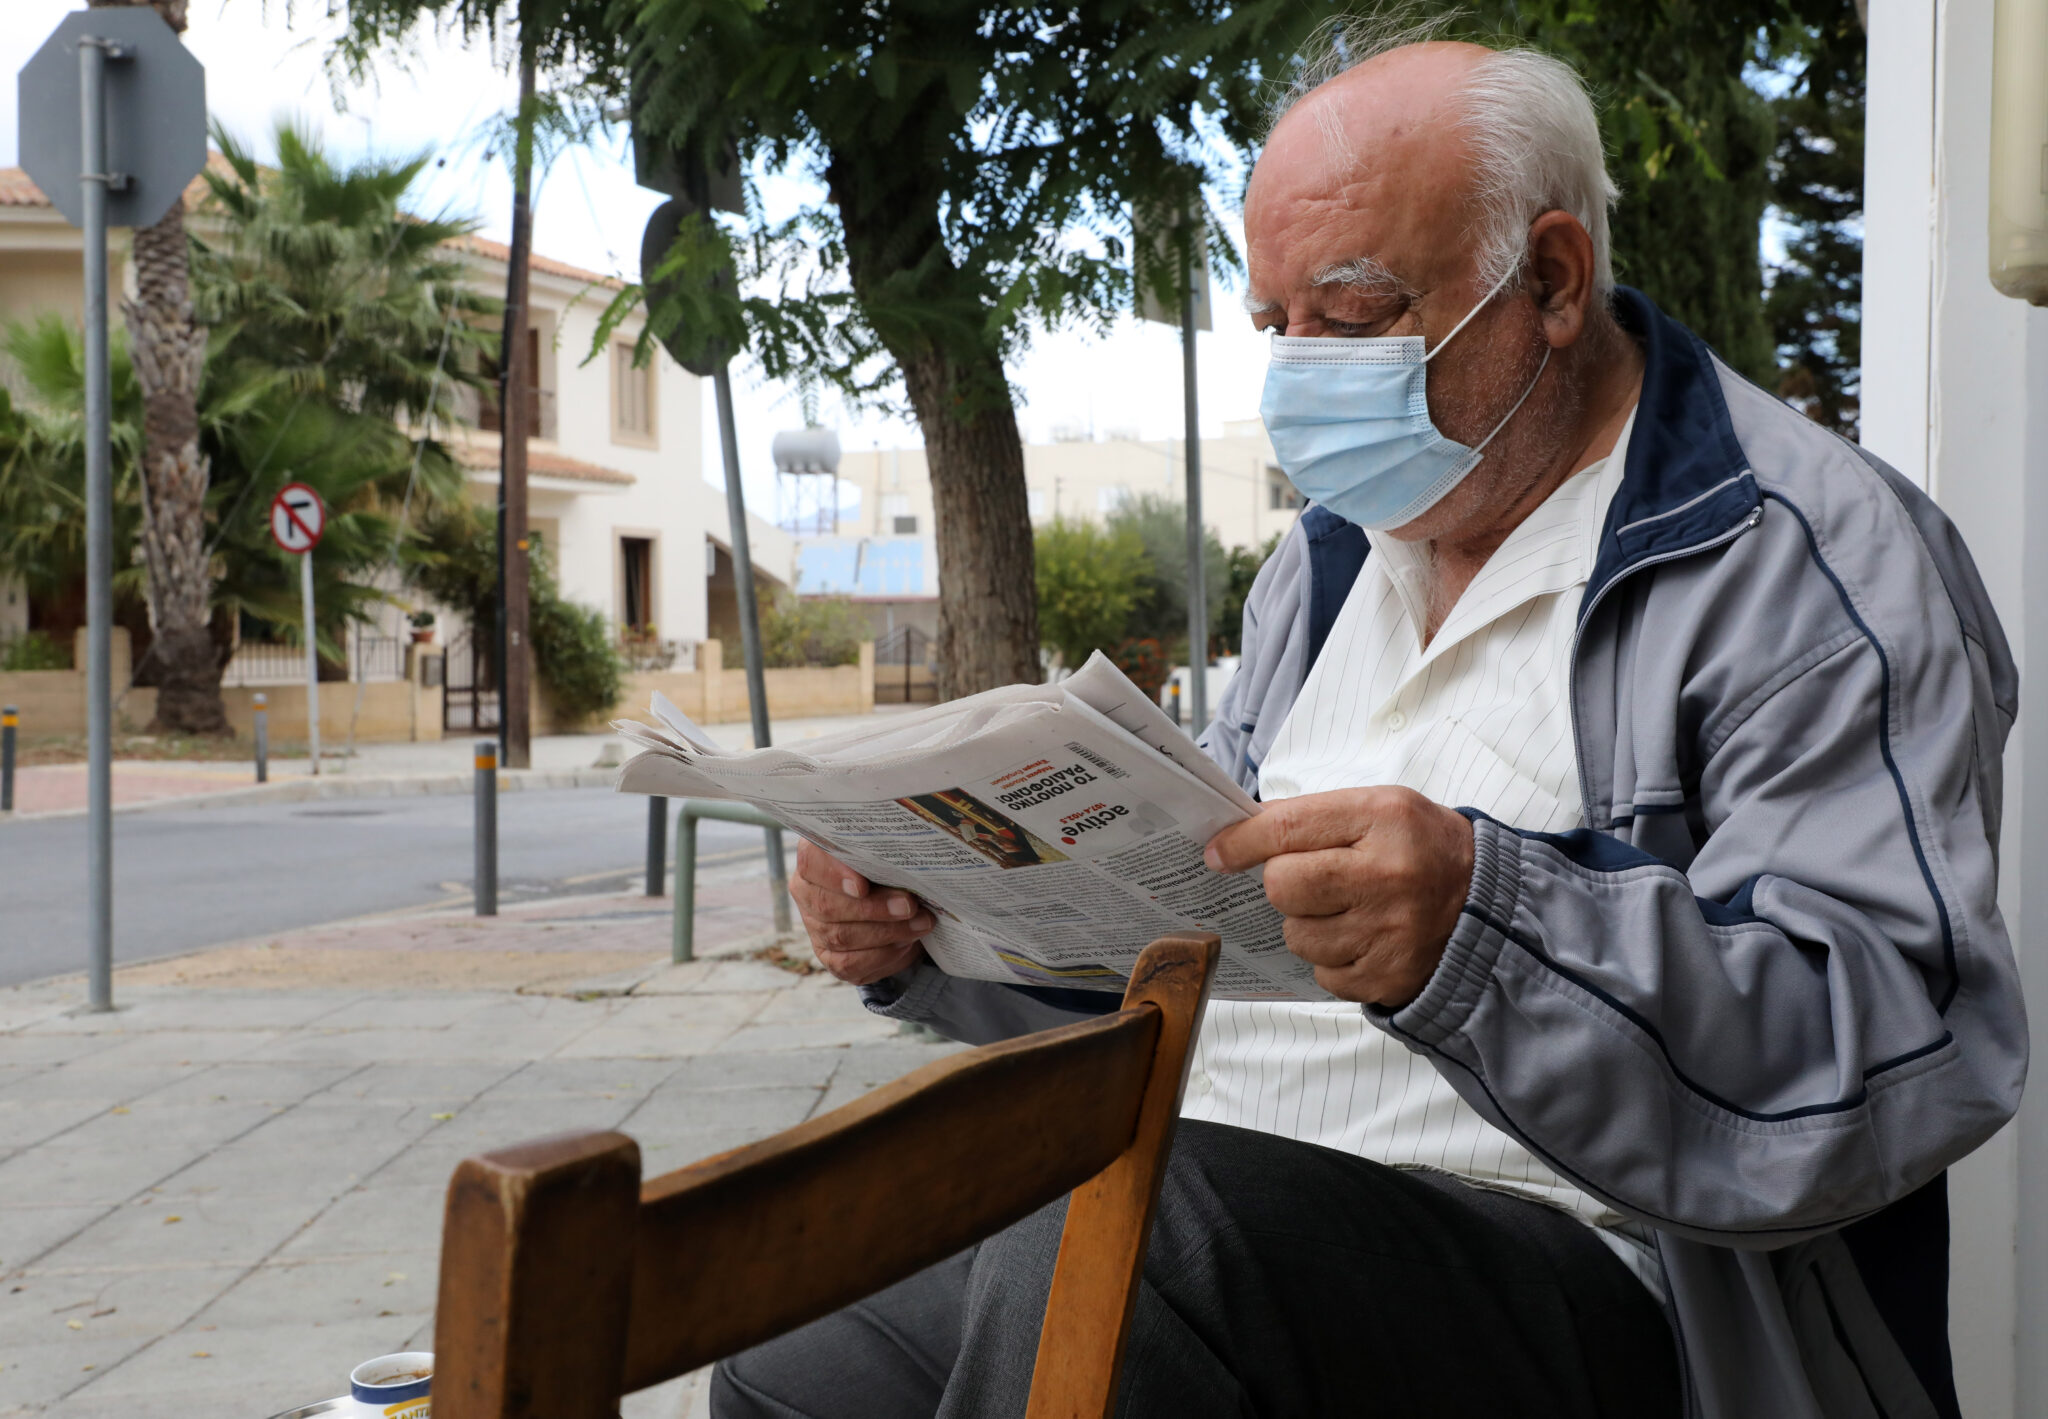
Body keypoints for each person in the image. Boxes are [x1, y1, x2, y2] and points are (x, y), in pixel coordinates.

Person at [713, 25, 2026, 1419]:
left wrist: (1488, 921)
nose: (1297, 374)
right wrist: (934, 934)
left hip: (1612, 1281)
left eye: (1349, 315)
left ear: (1554, 280)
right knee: (801, 1346)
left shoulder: (1801, 562)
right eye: (1271, 322)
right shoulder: (1329, 560)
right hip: (1229, 1208)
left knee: (1141, 1257)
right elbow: (1196, 930)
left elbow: (1898, 1046)